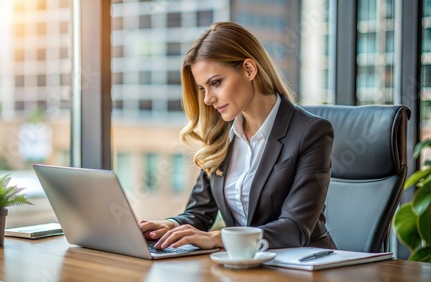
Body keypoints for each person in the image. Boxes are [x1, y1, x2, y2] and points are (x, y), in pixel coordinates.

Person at [139, 22, 337, 250]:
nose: (207, 99)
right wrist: (170, 225)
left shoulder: (311, 133)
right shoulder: (222, 134)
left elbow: (295, 228)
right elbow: (200, 214)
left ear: (249, 70)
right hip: (245, 266)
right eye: (203, 88)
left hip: (304, 264)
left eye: (216, 83)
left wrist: (218, 238)